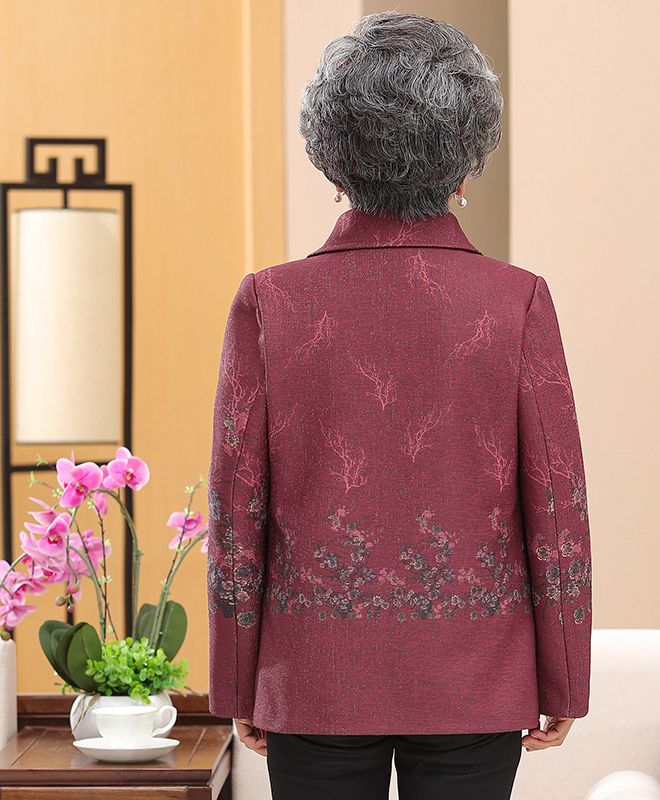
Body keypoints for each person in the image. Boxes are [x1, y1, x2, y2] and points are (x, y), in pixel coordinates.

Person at [207, 11, 591, 800]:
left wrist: (239, 681)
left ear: (333, 161)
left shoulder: (270, 302)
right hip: (476, 680)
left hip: (312, 677)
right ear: (464, 164)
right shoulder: (517, 301)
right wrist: (564, 678)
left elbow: (236, 510)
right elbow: (556, 506)